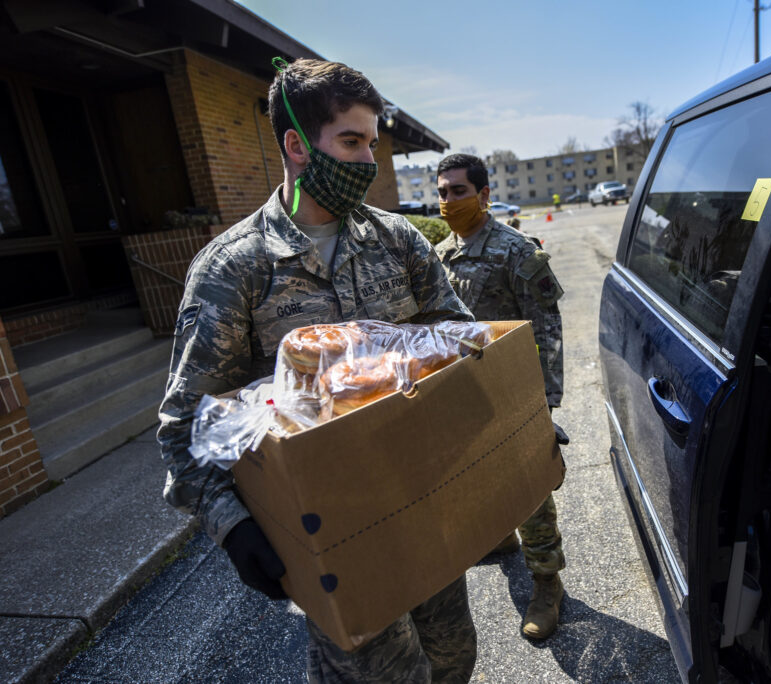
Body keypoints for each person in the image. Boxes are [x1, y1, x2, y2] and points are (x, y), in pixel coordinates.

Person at [157, 57, 477, 683]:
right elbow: (186, 427)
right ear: (298, 146)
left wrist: (510, 421)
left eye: (373, 144)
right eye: (351, 142)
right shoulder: (234, 269)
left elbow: (464, 342)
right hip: (333, 532)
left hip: (424, 502)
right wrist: (234, 527)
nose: (367, 160)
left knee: (452, 655)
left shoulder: (398, 241)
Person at [434, 153, 567, 640]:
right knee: (477, 478)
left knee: (528, 489)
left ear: (484, 195)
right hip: (464, 393)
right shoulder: (442, 253)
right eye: (442, 192)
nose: (448, 201)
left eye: (459, 191)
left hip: (513, 393)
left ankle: (547, 582)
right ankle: (501, 538)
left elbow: (548, 329)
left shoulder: (517, 252)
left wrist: (545, 404)